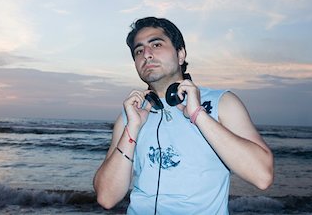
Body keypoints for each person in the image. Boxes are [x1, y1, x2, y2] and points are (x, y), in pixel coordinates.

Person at [93, 17, 274, 214]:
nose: (147, 54)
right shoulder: (130, 115)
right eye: (139, 50)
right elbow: (106, 197)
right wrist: (132, 129)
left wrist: (198, 115)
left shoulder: (222, 102)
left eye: (156, 44)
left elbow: (262, 176)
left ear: (180, 55)